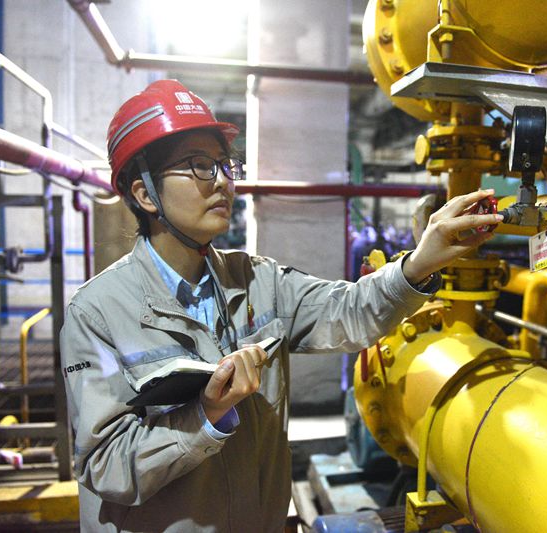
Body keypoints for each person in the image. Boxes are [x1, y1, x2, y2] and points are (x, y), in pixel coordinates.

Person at [59, 79, 503, 532]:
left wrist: (420, 262)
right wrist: (204, 415)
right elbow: (105, 466)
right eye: (199, 166)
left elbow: (348, 312)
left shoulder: (258, 281)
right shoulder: (97, 314)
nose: (223, 182)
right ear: (144, 194)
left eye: (225, 165)